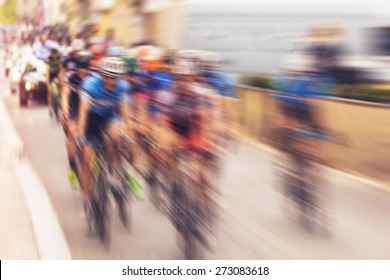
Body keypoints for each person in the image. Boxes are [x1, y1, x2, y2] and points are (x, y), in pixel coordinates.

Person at [75, 57, 131, 200]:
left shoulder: (122, 86)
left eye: (114, 78)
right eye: (107, 77)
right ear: (101, 75)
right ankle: (87, 200)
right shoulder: (90, 85)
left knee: (116, 136)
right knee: (88, 161)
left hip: (109, 118)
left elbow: (125, 113)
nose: (111, 81)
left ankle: (111, 171)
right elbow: (83, 112)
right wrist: (80, 134)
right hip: (92, 119)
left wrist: (128, 134)